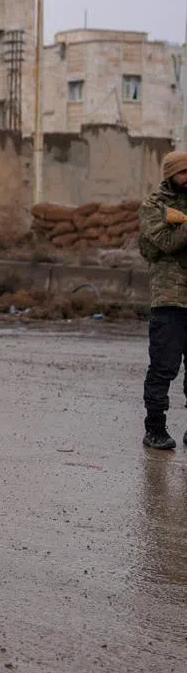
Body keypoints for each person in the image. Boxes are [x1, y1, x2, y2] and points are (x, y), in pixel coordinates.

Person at [137, 150, 187, 450]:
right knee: (163, 368)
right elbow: (165, 242)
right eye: (183, 173)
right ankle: (155, 428)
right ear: (170, 174)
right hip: (170, 299)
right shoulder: (154, 206)